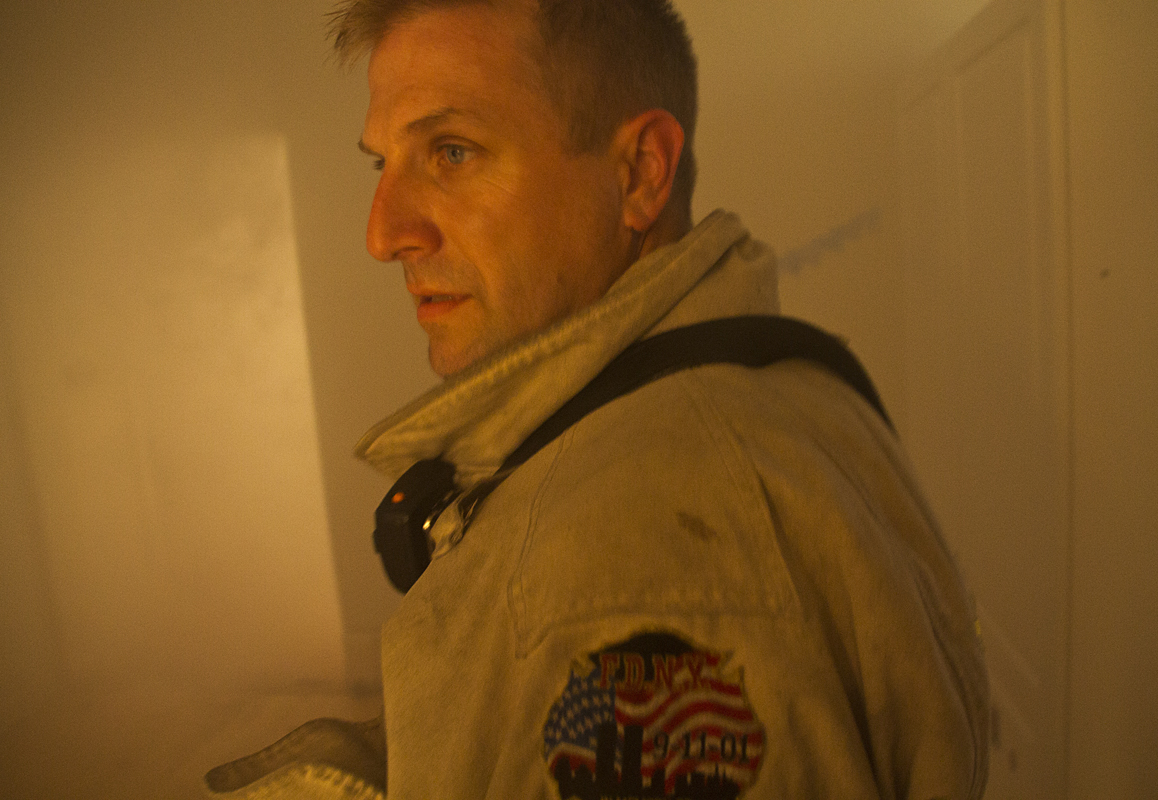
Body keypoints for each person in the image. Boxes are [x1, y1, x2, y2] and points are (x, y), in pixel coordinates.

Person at [206, 1, 989, 798]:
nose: (383, 234)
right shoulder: (753, 381)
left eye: (451, 152)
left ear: (640, 174)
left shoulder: (635, 556)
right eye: (383, 163)